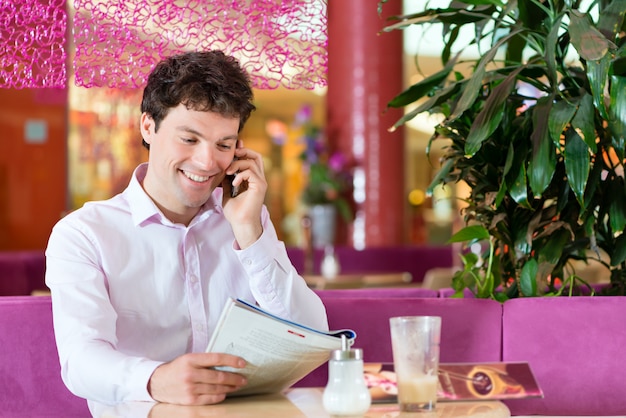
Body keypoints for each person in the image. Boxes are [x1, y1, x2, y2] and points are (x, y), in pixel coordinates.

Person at [45, 50, 329, 410]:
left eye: (224, 145)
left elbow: (312, 332)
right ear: (148, 127)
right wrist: (157, 379)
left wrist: (249, 232)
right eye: (190, 139)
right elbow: (80, 361)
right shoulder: (84, 234)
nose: (207, 162)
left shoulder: (245, 220)